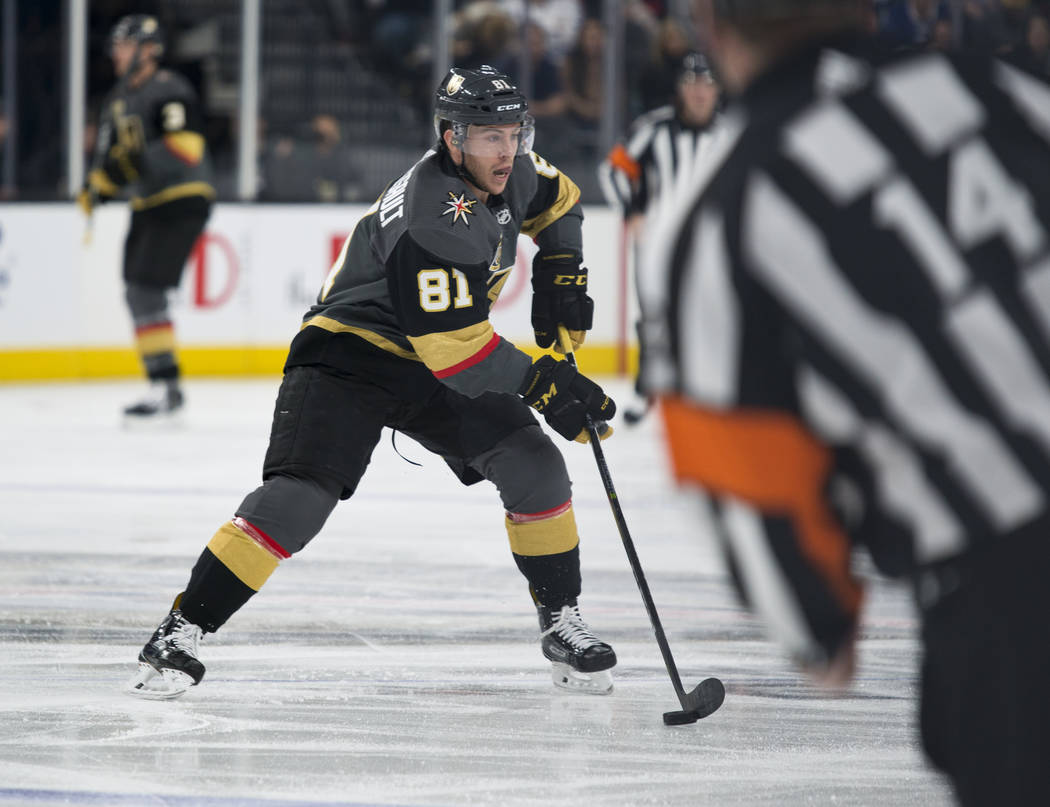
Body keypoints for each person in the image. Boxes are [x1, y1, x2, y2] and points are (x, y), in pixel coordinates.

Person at [647, 1, 1050, 804]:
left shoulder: (727, 210)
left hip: (1012, 600)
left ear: (711, 25)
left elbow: (748, 474)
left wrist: (816, 621)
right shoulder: (1006, 86)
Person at [127, 65, 618, 701]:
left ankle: (561, 623)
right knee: (300, 498)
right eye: (488, 136)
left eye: (513, 133)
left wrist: (562, 267)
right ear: (452, 139)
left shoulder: (514, 169)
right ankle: (180, 630)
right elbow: (458, 354)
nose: (506, 150)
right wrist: (543, 384)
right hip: (350, 353)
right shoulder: (433, 215)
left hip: (434, 354)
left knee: (536, 465)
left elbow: (562, 201)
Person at [78, 14, 215, 421]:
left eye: (125, 45)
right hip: (148, 203)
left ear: (149, 49)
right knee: (139, 292)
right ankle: (164, 384)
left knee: (146, 290)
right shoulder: (118, 99)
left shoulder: (169, 88)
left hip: (182, 199)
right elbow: (113, 159)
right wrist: (98, 186)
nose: (117, 54)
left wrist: (116, 173)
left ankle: (165, 386)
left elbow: (185, 148)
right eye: (116, 46)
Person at [599, 51, 721, 422]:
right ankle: (645, 391)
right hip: (658, 243)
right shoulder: (654, 128)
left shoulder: (731, 129)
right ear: (680, 88)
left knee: (712, 314)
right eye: (692, 83)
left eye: (706, 83)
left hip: (713, 243)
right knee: (654, 316)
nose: (699, 91)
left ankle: (705, 393)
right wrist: (632, 211)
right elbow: (614, 169)